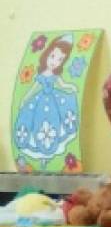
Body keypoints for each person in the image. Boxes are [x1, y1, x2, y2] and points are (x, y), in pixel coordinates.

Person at [13, 35, 79, 167]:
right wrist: (24, 99)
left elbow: (63, 85)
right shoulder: (41, 76)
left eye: (60, 59)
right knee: (40, 126)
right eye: (53, 56)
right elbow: (33, 89)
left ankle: (49, 155)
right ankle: (43, 155)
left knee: (55, 124)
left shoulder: (55, 75)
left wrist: (71, 87)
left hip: (54, 101)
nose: (55, 61)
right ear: (47, 54)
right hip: (40, 103)